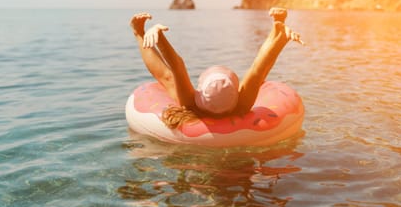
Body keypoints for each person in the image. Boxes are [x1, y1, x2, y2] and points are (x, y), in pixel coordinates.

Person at [130, 7, 304, 129]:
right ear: (235, 94)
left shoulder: (190, 104)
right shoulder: (242, 105)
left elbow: (176, 67)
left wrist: (158, 36)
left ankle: (138, 32)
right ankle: (277, 25)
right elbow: (259, 67)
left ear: (200, 94)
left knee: (168, 79)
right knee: (257, 76)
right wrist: (280, 36)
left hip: (194, 107)